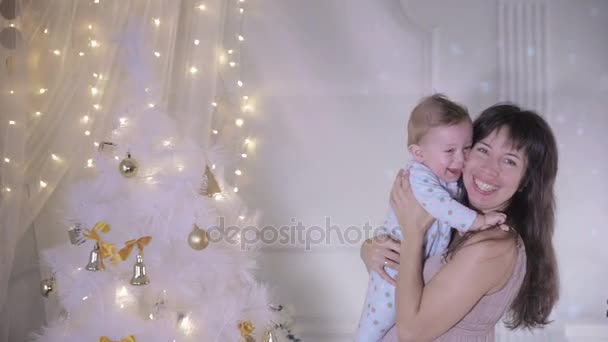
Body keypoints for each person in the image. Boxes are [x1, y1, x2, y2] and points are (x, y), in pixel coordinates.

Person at [360, 104, 559, 341]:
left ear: (525, 180)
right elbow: (405, 288)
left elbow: (411, 333)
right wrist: (372, 251)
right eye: (482, 150)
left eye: (509, 161)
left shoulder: (492, 247)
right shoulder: (453, 223)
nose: (488, 169)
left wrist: (412, 233)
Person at [355, 94, 506, 341]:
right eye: (449, 150)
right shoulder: (418, 176)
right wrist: (478, 221)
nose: (460, 159)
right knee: (374, 329)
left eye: (466, 148)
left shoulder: (451, 179)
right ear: (419, 153)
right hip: (393, 272)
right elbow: (440, 206)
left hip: (414, 272)